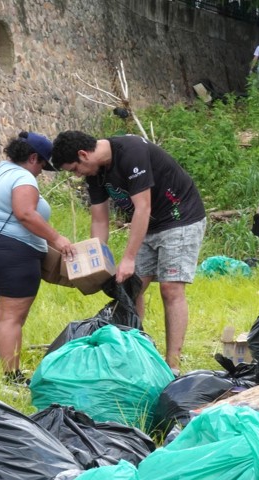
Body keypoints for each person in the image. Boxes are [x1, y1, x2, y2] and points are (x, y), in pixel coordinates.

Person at [51, 131, 207, 375]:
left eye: (74, 169)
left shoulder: (131, 151)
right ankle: (136, 351)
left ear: (83, 155)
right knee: (130, 287)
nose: (77, 175)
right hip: (149, 224)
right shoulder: (95, 172)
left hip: (180, 218)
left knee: (170, 288)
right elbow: (100, 219)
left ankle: (172, 364)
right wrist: (96, 258)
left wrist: (129, 258)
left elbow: (142, 207)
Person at [0, 132, 76, 384]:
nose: (41, 172)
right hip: (15, 255)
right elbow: (25, 213)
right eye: (42, 165)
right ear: (33, 158)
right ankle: (12, 377)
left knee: (7, 312)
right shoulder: (22, 177)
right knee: (13, 317)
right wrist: (57, 239)